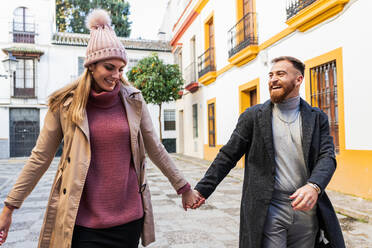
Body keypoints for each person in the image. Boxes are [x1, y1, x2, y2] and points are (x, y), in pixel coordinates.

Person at [0, 9, 200, 248]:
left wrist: (184, 188)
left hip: (128, 221)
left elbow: (155, 148)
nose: (116, 75)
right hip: (83, 224)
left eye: (120, 69)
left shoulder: (134, 100)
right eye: (109, 67)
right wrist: (10, 207)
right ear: (92, 66)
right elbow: (40, 158)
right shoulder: (64, 105)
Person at [191, 56, 345, 247]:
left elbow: (327, 157)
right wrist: (201, 190)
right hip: (269, 208)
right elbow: (228, 155)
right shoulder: (253, 116)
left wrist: (314, 186)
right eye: (270, 75)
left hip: (307, 210)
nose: (273, 79)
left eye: (280, 74)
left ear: (298, 80)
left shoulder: (317, 118)